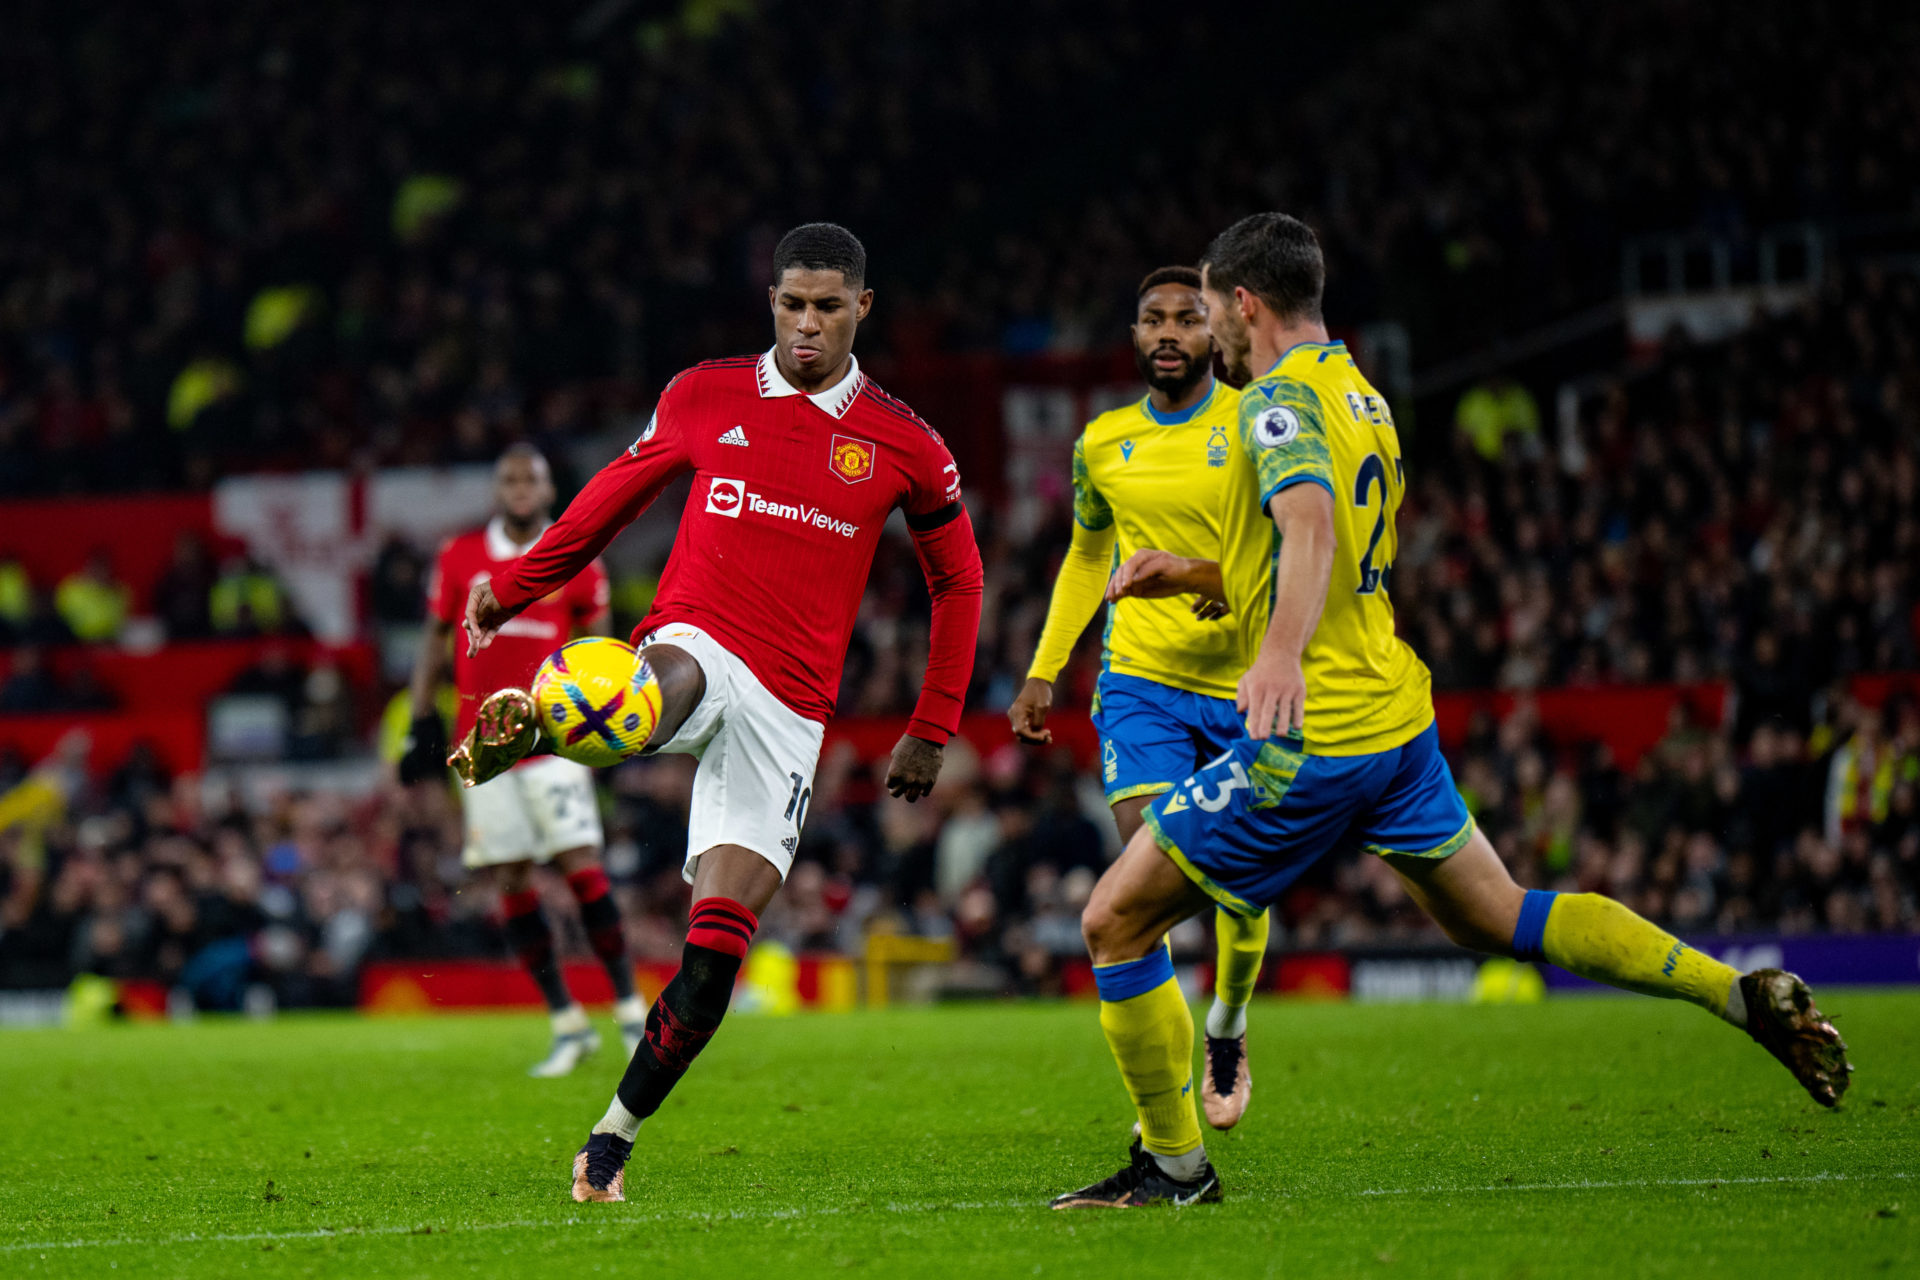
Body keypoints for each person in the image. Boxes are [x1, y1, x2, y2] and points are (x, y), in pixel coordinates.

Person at [1051, 212, 1852, 1210]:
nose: (1202, 325)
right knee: (1503, 913)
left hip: (1311, 735)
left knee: (1114, 921)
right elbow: (1327, 542)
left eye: (1209, 306)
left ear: (1243, 303)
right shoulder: (1364, 395)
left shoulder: (1277, 404)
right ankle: (1732, 989)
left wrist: (1280, 653)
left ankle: (1172, 1167)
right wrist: (1194, 568)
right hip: (1395, 722)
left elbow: (1307, 525)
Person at [451, 223, 984, 1203]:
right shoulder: (705, 393)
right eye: (792, 303)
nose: (809, 322)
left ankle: (612, 1135)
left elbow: (960, 581)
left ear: (863, 307)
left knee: (714, 961)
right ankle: (553, 720)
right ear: (771, 302)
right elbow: (607, 501)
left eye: (828, 305)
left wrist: (933, 721)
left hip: (792, 709)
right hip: (698, 636)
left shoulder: (907, 442)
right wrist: (517, 587)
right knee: (661, 687)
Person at [1009, 266, 1268, 1130]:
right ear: (1132, 335)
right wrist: (1047, 667)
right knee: (1144, 881)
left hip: (1247, 682)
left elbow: (1298, 548)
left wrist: (1218, 576)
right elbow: (1088, 558)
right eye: (1152, 319)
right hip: (1141, 686)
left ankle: (1226, 1024)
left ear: (1215, 331)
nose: (1168, 333)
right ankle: (1166, 1096)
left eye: (1186, 319)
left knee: (1236, 882)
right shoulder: (1102, 442)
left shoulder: (1260, 424)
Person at [401, 444, 644, 1077]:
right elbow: (434, 639)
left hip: (554, 742)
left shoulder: (576, 557)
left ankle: (628, 1009)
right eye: (507, 477)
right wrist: (419, 718)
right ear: (497, 487)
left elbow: (603, 652)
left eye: (529, 478)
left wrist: (610, 727)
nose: (517, 487)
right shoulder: (458, 557)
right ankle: (567, 1023)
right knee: (509, 878)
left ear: (546, 488)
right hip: (481, 743)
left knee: (580, 866)